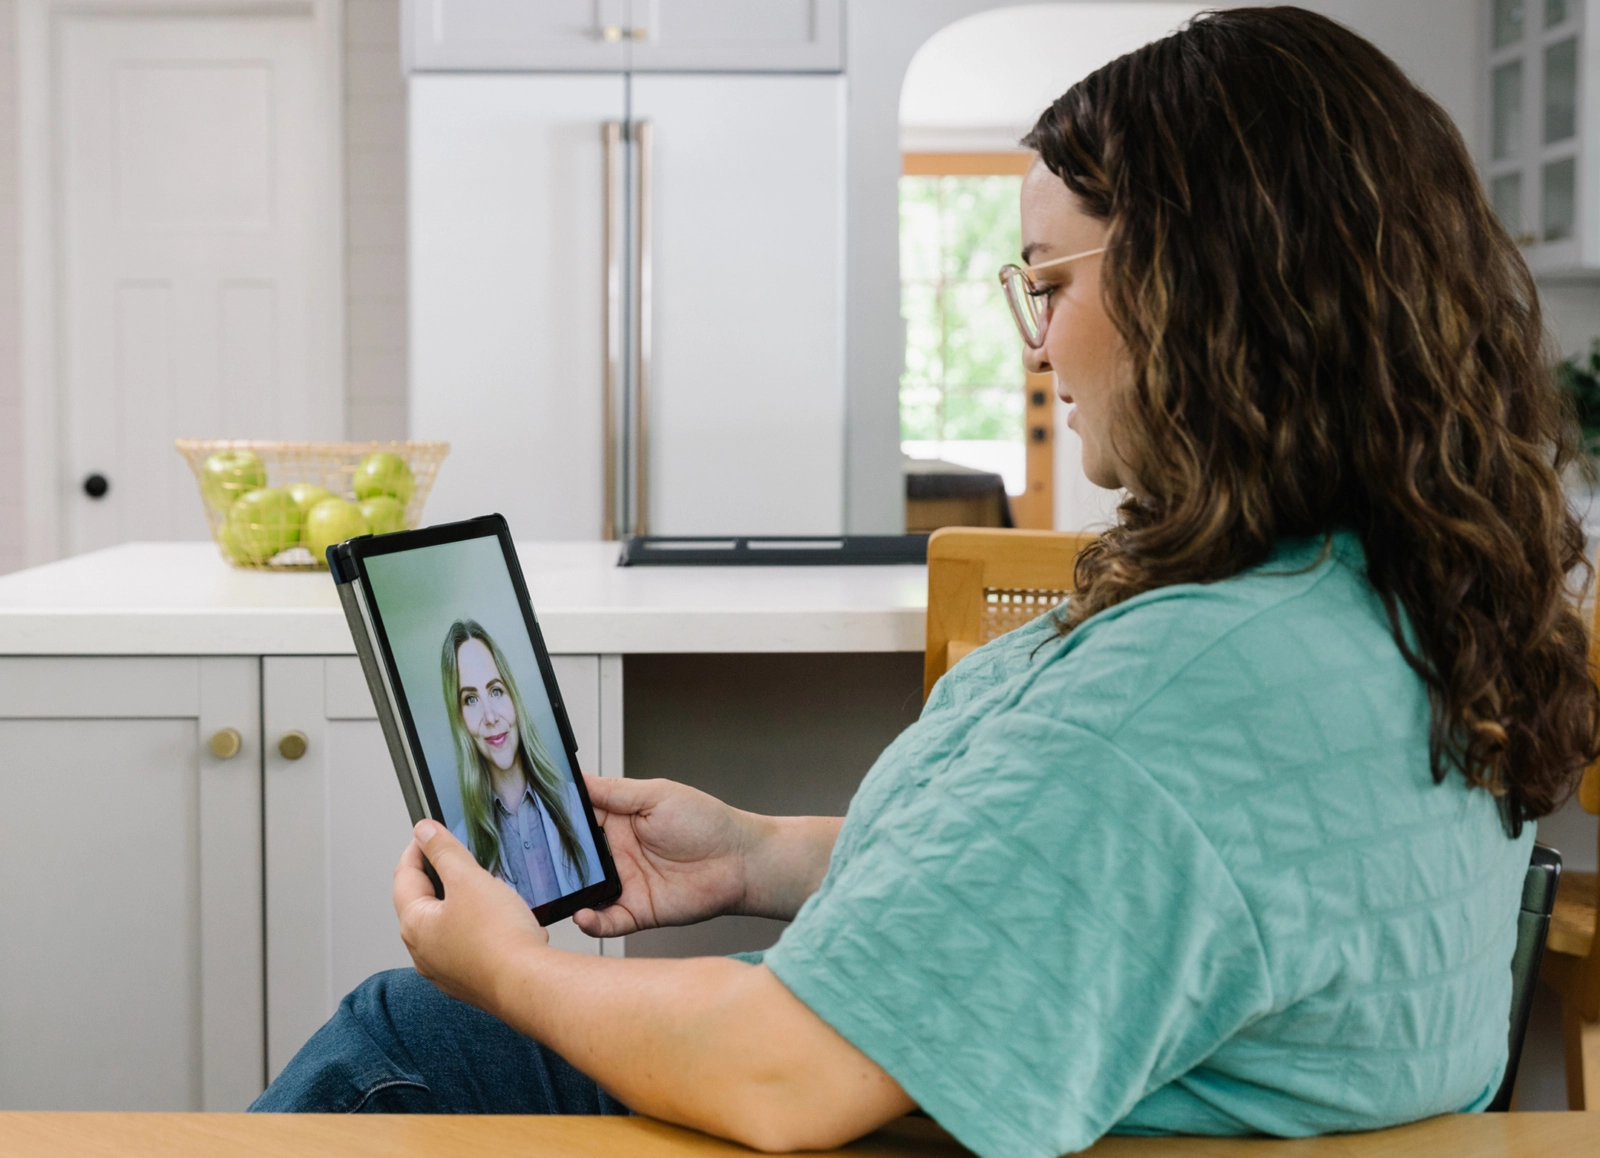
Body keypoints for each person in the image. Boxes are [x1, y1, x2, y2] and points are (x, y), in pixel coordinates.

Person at [251, 9, 1600, 1155]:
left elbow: (782, 1072)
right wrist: (757, 854)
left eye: (1050, 281)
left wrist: (508, 964)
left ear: (1203, 293)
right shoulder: (1382, 598)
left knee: (404, 1032)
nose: (1039, 341)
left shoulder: (1179, 699)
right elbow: (1096, 882)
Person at [440, 618, 599, 907]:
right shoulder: (458, 848)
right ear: (459, 719)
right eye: (470, 699)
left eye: (496, 691)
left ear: (513, 697)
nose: (489, 716)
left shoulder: (578, 805)